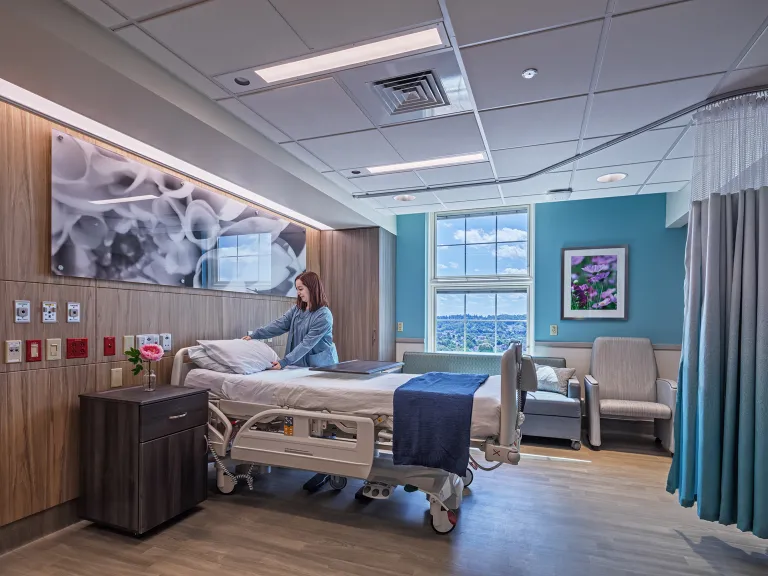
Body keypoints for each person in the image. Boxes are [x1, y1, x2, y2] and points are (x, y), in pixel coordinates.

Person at [243, 271, 338, 370]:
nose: (298, 293)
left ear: (312, 288)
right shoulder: (297, 310)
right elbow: (279, 325)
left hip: (323, 366)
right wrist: (255, 335)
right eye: (297, 289)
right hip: (298, 364)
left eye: (300, 289)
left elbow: (307, 344)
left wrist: (285, 361)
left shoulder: (324, 316)